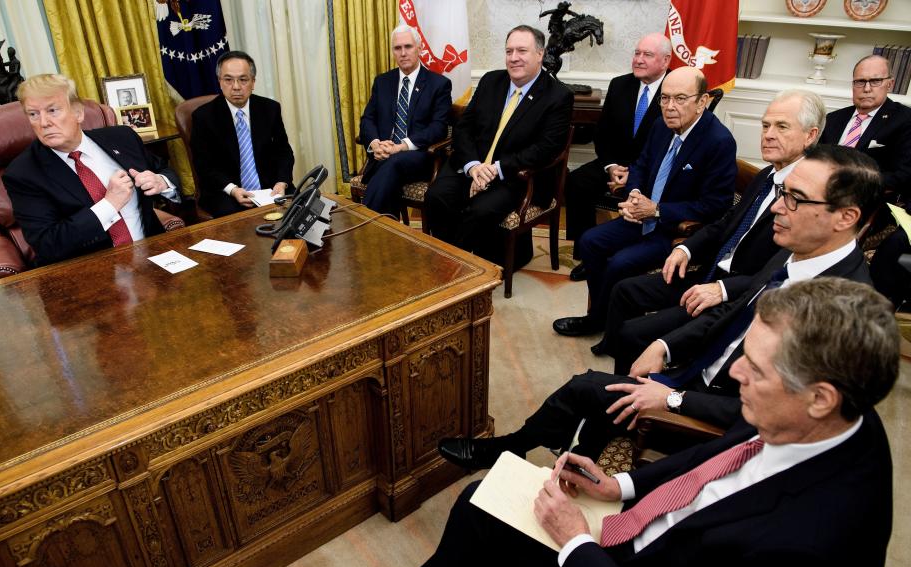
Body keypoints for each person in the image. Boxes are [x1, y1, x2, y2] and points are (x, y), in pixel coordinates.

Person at [399, 276, 898, 567]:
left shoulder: (802, 549)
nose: (738, 373)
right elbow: (713, 458)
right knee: (484, 498)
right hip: (648, 525)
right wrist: (620, 488)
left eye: (758, 368)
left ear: (820, 397)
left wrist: (575, 541)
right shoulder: (837, 419)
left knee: (479, 517)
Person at [438, 144, 880, 469]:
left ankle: (555, 461)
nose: (778, 208)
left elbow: (765, 422)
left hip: (717, 410)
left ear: (847, 217)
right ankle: (558, 456)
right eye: (783, 193)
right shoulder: (796, 250)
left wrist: (671, 398)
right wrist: (666, 347)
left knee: (593, 392)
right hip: (696, 372)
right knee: (597, 385)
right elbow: (732, 316)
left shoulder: (842, 313)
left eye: (796, 199)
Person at [597, 89, 825, 368]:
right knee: (624, 290)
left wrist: (723, 289)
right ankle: (618, 356)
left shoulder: (810, 195)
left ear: (810, 136)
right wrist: (686, 248)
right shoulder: (768, 175)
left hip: (742, 297)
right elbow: (726, 223)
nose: (768, 134)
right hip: (710, 272)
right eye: (766, 125)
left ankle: (632, 394)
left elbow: (784, 271)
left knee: (634, 333)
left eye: (782, 127)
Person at [552, 67, 736, 338]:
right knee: (590, 242)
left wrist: (658, 210)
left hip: (674, 230)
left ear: (702, 102)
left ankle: (610, 330)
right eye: (665, 98)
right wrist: (635, 193)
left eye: (680, 98)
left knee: (620, 263)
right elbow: (641, 163)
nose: (669, 107)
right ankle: (600, 316)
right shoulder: (661, 125)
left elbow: (716, 205)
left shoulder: (718, 141)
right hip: (642, 215)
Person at [423, 25, 573, 267]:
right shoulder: (491, 81)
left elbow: (546, 148)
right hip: (473, 165)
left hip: (516, 175)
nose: (513, 58)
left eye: (522, 51)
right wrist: (473, 167)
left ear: (540, 54)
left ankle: (454, 267)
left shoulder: (557, 96)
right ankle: (454, 260)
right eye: (509, 51)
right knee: (437, 197)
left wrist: (495, 169)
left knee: (480, 210)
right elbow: (464, 128)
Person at [3, 74, 180, 267]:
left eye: (52, 110)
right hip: (89, 274)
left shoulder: (122, 138)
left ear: (78, 113)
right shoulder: (23, 173)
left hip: (154, 259)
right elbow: (49, 244)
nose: (43, 122)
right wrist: (110, 204)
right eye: (33, 114)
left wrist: (162, 181)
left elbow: (164, 170)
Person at [565, 33, 670, 279]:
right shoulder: (620, 84)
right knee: (576, 182)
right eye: (637, 53)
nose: (639, 60)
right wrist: (611, 166)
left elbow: (669, 146)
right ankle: (586, 255)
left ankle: (632, 253)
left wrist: (633, 173)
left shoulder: (675, 91)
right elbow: (602, 133)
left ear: (665, 61)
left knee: (642, 198)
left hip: (652, 171)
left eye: (647, 55)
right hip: (614, 163)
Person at [358, 25, 451, 217]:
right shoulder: (382, 81)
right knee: (390, 171)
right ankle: (388, 237)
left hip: (420, 156)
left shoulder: (438, 84)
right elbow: (368, 118)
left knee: (394, 162)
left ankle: (364, 221)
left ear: (419, 48)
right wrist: (375, 144)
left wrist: (401, 146)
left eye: (408, 47)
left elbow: (438, 128)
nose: (403, 53)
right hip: (382, 156)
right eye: (397, 48)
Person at [190, 50, 295, 217]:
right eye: (228, 80)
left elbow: (284, 151)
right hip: (225, 191)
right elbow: (204, 166)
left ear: (253, 82)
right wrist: (233, 190)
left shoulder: (270, 109)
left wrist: (282, 182)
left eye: (243, 80)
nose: (236, 87)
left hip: (270, 189)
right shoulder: (203, 117)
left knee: (299, 212)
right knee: (239, 225)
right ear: (220, 82)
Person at [819, 54, 911, 203]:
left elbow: (904, 175)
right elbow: (817, 159)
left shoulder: (905, 120)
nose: (867, 89)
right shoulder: (833, 119)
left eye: (875, 81)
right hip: (819, 192)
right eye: (860, 82)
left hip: (867, 199)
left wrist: (849, 184)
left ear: (890, 84)